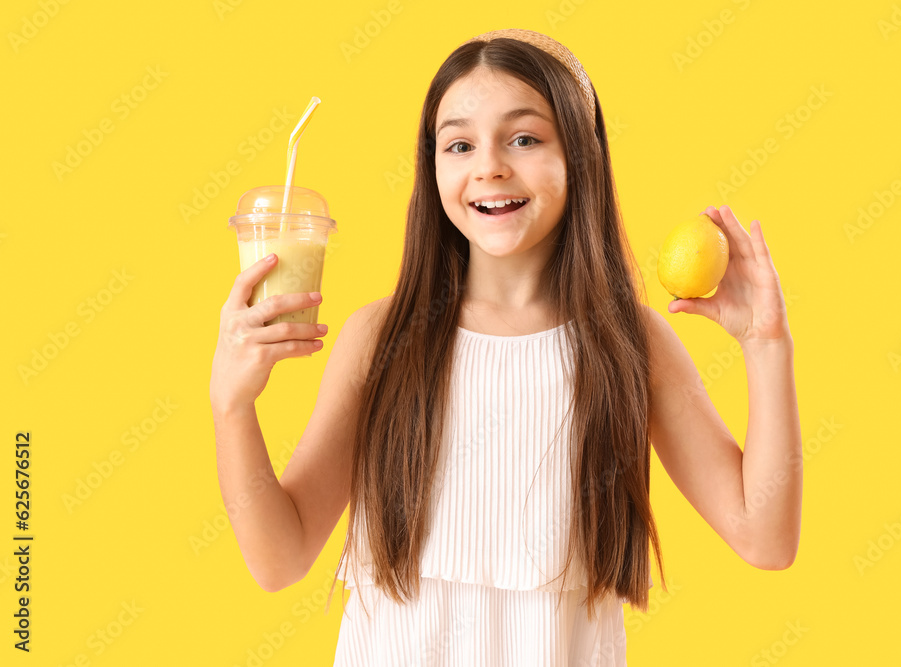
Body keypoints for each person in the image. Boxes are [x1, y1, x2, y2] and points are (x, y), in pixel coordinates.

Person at [210, 28, 801, 666]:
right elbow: (279, 557)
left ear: (582, 155)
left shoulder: (630, 343)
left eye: (524, 138)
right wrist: (232, 405)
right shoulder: (381, 337)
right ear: (431, 168)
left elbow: (765, 538)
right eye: (459, 143)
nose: (488, 166)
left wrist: (766, 344)